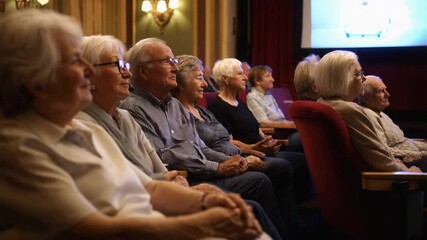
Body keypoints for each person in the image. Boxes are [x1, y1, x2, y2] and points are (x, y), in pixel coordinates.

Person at [0, 9, 265, 240]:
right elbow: (89, 230)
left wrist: (207, 199)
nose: (89, 71)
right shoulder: (18, 147)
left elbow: (148, 187)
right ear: (36, 82)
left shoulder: (84, 129)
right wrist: (199, 223)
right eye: (73, 60)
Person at [118, 37, 290, 238]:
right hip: (184, 180)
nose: (175, 68)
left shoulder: (173, 105)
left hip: (203, 172)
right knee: (259, 185)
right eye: (168, 62)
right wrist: (218, 168)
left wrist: (236, 161)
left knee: (263, 180)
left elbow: (201, 147)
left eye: (174, 61)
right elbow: (164, 156)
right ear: (143, 71)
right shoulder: (133, 107)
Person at [171, 54, 307, 239]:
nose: (204, 84)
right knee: (270, 174)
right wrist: (247, 159)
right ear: (180, 83)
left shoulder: (202, 110)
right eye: (199, 78)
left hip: (237, 157)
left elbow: (227, 140)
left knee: (284, 166)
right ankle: (287, 231)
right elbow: (202, 151)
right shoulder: (181, 113)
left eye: (204, 77)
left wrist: (256, 150)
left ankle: (290, 226)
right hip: (219, 167)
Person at [315, 50, 421, 172]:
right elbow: (381, 161)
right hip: (385, 183)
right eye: (359, 74)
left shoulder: (321, 103)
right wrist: (409, 173)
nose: (364, 78)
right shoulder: (349, 110)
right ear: (344, 79)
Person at [360, 75, 427, 169]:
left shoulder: (382, 114)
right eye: (381, 91)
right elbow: (383, 151)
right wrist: (421, 154)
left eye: (385, 89)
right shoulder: (369, 116)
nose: (387, 94)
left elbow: (403, 141)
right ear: (366, 98)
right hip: (406, 165)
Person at [246, 65, 303, 153]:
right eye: (268, 76)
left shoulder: (269, 95)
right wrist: (292, 125)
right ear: (257, 81)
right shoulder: (252, 96)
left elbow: (282, 119)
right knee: (302, 138)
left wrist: (296, 124)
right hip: (274, 135)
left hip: (284, 131)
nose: (273, 79)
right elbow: (263, 123)